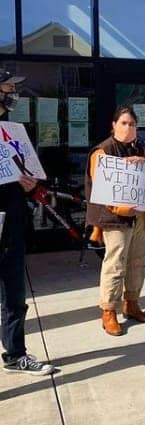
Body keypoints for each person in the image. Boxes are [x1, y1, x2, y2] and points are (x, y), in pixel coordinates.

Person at [0, 68, 55, 376]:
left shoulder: (11, 131)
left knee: (14, 293)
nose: (12, 92)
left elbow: (28, 178)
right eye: (7, 86)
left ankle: (15, 353)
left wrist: (31, 185)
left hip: (11, 225)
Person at [85, 106, 145, 336]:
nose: (129, 127)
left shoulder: (141, 150)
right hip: (114, 219)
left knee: (138, 262)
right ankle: (108, 311)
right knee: (115, 265)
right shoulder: (103, 151)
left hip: (141, 217)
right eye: (124, 123)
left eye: (133, 124)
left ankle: (132, 303)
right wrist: (120, 209)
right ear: (113, 125)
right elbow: (101, 188)